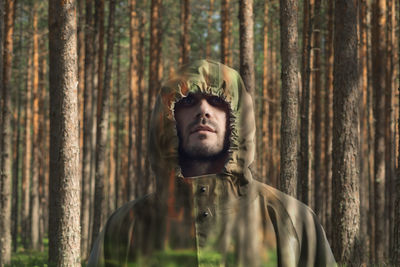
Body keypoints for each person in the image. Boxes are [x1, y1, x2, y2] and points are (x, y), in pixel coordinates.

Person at [88, 60, 336, 267]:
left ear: (236, 117)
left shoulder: (291, 219)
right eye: (187, 102)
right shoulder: (125, 225)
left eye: (217, 102)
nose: (203, 110)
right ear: (167, 119)